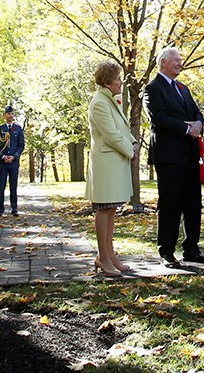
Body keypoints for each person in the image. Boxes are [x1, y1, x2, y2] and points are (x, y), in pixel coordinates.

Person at [144, 46, 204, 266]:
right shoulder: (152, 88)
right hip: (169, 156)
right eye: (176, 60)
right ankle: (166, 251)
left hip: (190, 155)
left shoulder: (183, 88)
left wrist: (198, 124)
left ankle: (191, 249)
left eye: (181, 60)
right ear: (163, 62)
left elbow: (197, 111)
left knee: (193, 204)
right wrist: (186, 128)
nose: (180, 63)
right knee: (170, 205)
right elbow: (158, 118)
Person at [85, 60, 137, 276]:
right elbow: (111, 135)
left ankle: (110, 254)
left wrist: (133, 142)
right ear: (107, 82)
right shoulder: (99, 102)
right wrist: (131, 151)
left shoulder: (110, 100)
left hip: (114, 163)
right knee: (104, 209)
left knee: (111, 209)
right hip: (105, 165)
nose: (120, 82)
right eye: (117, 79)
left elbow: (122, 129)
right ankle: (102, 257)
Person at [0, 106, 24, 216]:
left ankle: (14, 208)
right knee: (1, 187)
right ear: (4, 115)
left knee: (13, 187)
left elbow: (21, 145)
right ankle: (0, 209)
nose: (10, 115)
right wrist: (2, 156)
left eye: (12, 113)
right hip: (2, 163)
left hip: (13, 163)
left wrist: (14, 156)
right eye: (8, 113)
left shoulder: (18, 129)